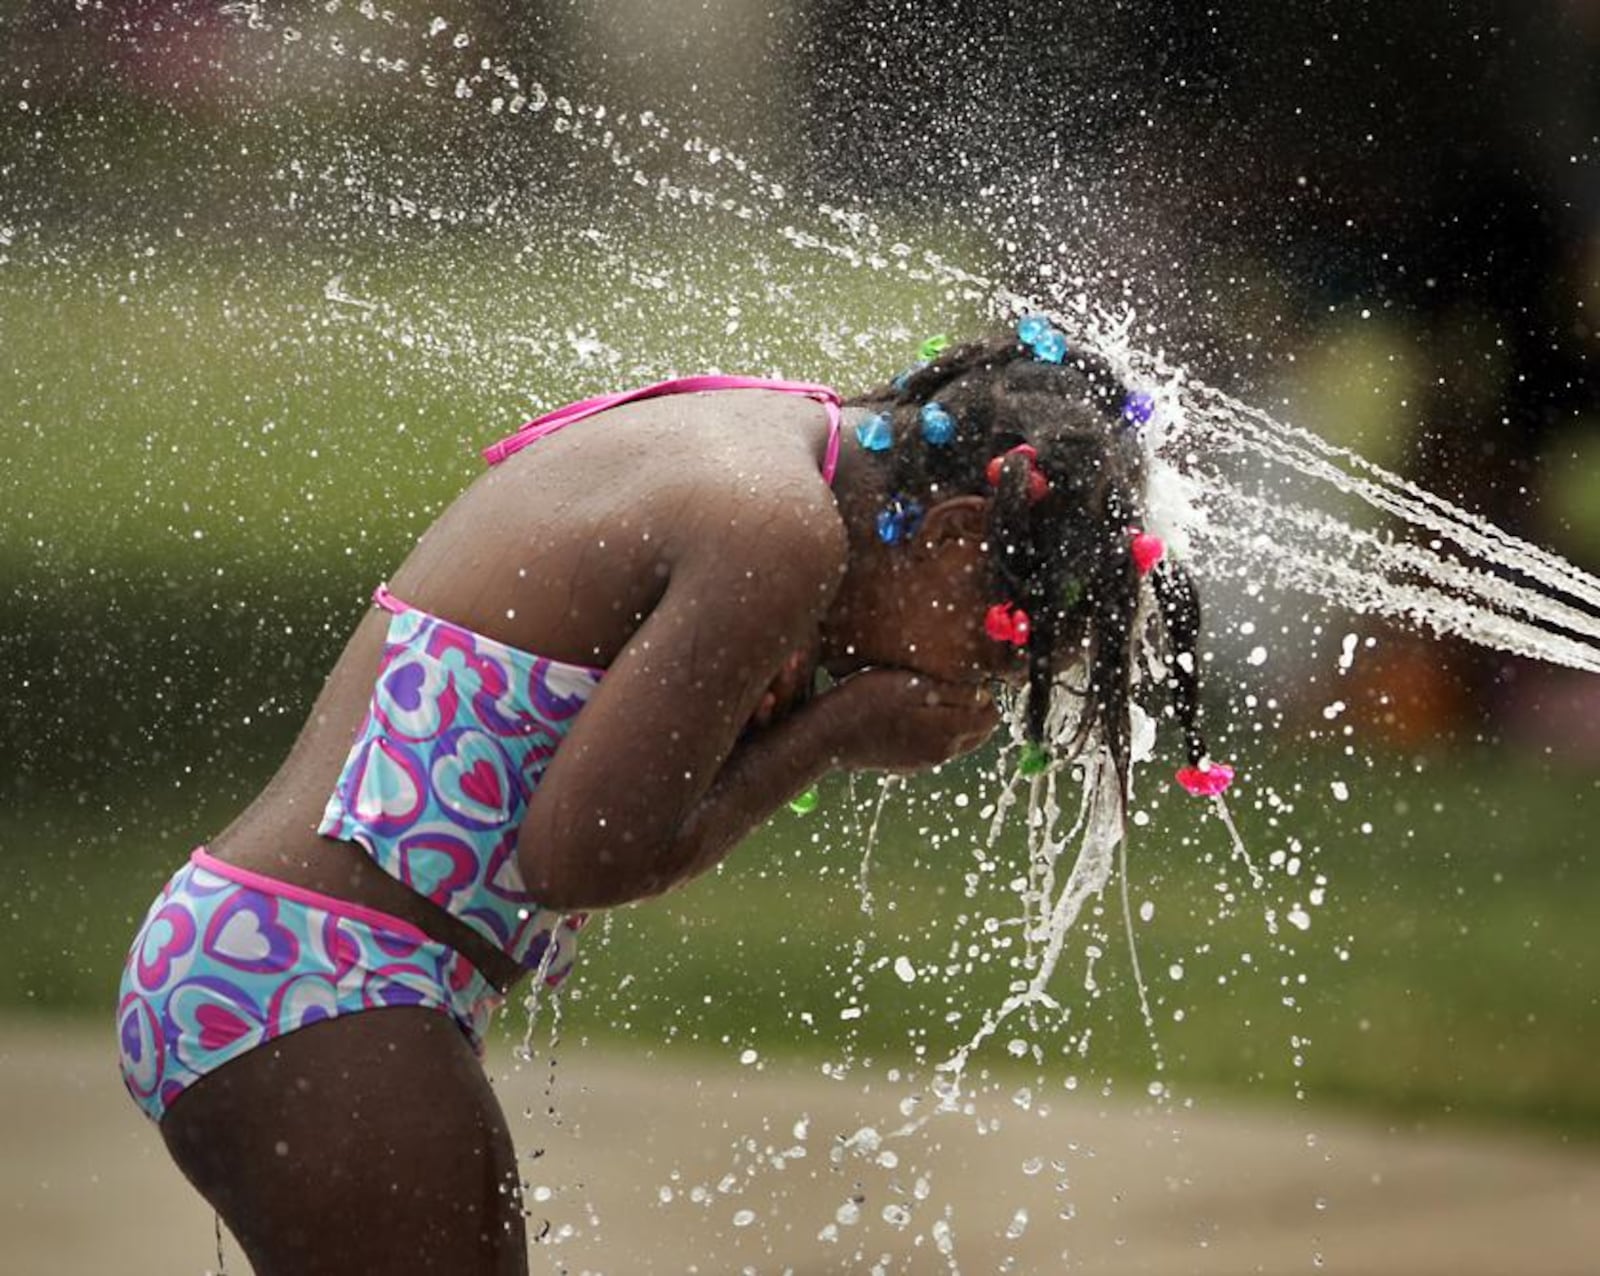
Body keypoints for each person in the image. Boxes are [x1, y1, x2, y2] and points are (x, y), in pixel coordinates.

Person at [115, 318, 1226, 1274]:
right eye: (986, 652)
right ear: (955, 536)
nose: (955, 686)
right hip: (318, 979)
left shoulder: (767, 437)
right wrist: (835, 732)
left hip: (277, 958)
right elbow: (579, 856)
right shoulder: (775, 528)